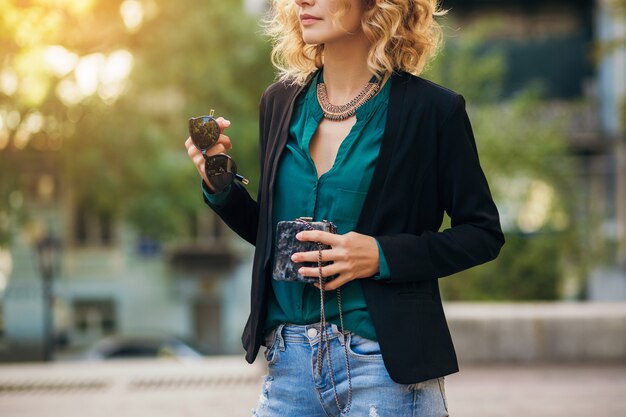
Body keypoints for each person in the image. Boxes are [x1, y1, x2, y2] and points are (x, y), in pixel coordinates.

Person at [185, 0, 505, 415]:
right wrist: (220, 185)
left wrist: (380, 255)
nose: (302, 1)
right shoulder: (279, 102)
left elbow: (482, 234)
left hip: (385, 369)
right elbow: (273, 237)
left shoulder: (433, 112)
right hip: (289, 364)